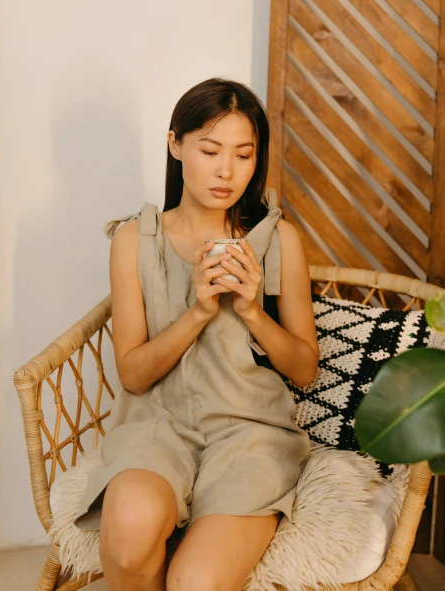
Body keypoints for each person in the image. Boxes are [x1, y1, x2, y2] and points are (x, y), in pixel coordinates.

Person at [74, 77, 319, 591]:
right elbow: (134, 376)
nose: (226, 171)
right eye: (209, 149)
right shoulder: (134, 241)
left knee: (195, 582)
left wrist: (252, 311)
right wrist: (199, 311)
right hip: (155, 428)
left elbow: (305, 370)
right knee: (129, 534)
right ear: (176, 144)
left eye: (244, 154)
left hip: (251, 434)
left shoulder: (279, 241)